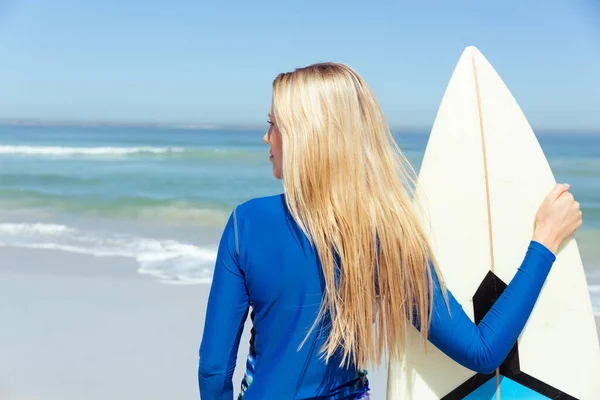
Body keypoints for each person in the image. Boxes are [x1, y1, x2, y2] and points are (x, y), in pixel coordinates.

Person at [198, 63, 582, 400]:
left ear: (305, 135)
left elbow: (214, 372)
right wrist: (544, 242)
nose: (267, 138)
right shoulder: (385, 236)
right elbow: (483, 352)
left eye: (273, 125)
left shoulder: (244, 224)